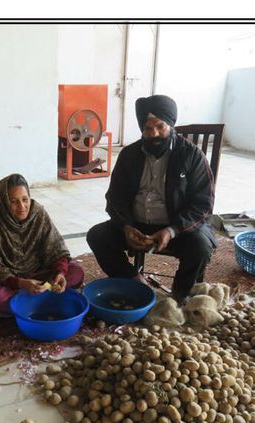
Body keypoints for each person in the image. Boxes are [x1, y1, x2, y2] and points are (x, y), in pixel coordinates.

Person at [85, 94, 216, 300]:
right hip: (136, 227)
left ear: (171, 125)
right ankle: (133, 280)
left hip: (176, 228)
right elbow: (114, 198)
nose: (154, 133)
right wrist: (127, 227)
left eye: (160, 127)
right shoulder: (129, 155)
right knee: (97, 236)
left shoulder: (191, 155)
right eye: (147, 128)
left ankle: (179, 296)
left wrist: (171, 231)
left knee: (200, 247)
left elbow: (203, 205)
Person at [0, 173, 84, 317]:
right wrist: (22, 283)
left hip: (40, 275)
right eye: (14, 201)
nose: (22, 207)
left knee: (76, 272)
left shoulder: (38, 213)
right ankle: (42, 298)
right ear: (3, 202)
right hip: (12, 282)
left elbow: (56, 248)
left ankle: (27, 301)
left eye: (25, 199)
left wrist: (60, 273)